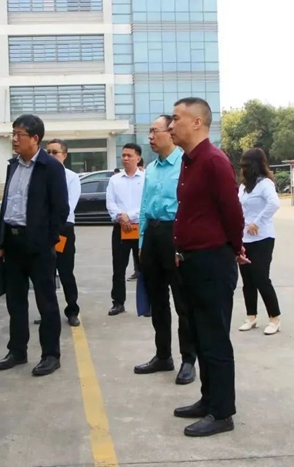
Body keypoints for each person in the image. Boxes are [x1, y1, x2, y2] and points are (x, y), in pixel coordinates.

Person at [168, 97, 248, 438]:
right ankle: (208, 399)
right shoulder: (189, 162)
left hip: (212, 261)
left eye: (176, 118)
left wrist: (233, 249)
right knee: (200, 336)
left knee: (215, 339)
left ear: (197, 122)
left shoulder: (214, 161)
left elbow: (233, 213)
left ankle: (222, 412)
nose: (171, 125)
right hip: (191, 260)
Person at [0, 114, 69, 377]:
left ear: (35, 138)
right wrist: (2, 241)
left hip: (38, 246)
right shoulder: (12, 166)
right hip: (13, 244)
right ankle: (17, 351)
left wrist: (47, 241)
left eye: (20, 135)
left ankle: (51, 355)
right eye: (13, 134)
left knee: (46, 302)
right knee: (15, 302)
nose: (14, 139)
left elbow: (60, 210)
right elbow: (7, 205)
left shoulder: (51, 167)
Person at [134, 115, 197, 385]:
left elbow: (190, 208)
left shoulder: (185, 164)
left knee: (183, 302)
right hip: (152, 235)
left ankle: (188, 360)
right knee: (157, 301)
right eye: (149, 131)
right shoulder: (151, 168)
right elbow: (144, 205)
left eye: (154, 131)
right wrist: (141, 242)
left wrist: (182, 244)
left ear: (169, 133)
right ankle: (163, 355)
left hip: (175, 234)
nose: (150, 136)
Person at [237, 148, 282, 335]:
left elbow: (274, 203)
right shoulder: (243, 187)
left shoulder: (265, 184)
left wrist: (257, 222)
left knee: (261, 277)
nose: (243, 168)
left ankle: (274, 318)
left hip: (263, 237)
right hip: (244, 238)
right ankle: (251, 316)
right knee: (247, 279)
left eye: (246, 165)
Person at [106, 143, 145, 315]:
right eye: (123, 155)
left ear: (138, 158)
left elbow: (146, 203)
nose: (126, 158)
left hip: (140, 228)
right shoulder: (114, 180)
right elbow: (110, 203)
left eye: (129, 155)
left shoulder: (145, 178)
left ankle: (146, 303)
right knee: (118, 268)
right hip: (120, 228)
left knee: (144, 267)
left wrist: (129, 215)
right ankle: (118, 302)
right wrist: (121, 217)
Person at [46, 139, 81, 327]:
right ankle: (48, 312)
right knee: (46, 274)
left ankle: (72, 311)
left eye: (55, 152)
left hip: (63, 228)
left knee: (66, 272)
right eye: (48, 152)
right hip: (43, 230)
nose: (51, 156)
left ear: (64, 155)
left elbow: (68, 206)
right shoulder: (40, 175)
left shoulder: (72, 177)